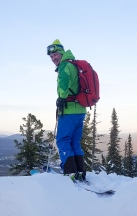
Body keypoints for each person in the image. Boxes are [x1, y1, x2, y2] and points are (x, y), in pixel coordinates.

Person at [47, 39, 86, 180]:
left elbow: (63, 84)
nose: (53, 58)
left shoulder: (65, 66)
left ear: (61, 52)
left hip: (69, 110)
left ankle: (70, 172)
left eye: (55, 55)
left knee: (62, 140)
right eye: (51, 57)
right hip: (80, 110)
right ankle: (80, 171)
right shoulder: (74, 65)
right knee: (74, 141)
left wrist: (61, 98)